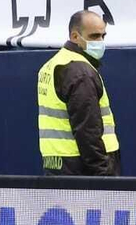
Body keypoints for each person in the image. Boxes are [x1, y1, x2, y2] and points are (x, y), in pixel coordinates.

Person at [36, 9, 119, 176]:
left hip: (57, 163)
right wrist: (104, 175)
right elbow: (87, 130)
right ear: (75, 37)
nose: (101, 41)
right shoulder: (81, 72)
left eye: (103, 36)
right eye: (94, 36)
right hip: (83, 169)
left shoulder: (51, 65)